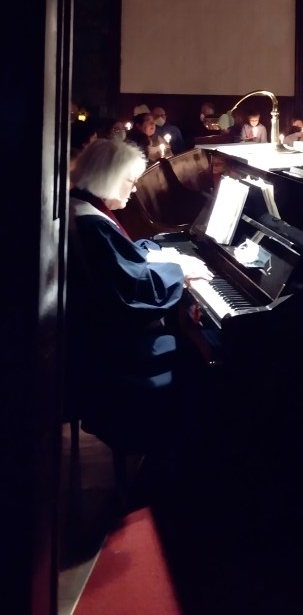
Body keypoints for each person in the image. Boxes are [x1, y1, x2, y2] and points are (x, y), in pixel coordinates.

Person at [67, 138, 213, 451]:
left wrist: (152, 253)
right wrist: (180, 271)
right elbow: (131, 288)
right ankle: (182, 448)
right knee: (200, 354)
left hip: (102, 336)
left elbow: (120, 260)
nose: (134, 190)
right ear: (108, 177)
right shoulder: (92, 222)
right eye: (131, 182)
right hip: (117, 351)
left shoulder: (82, 206)